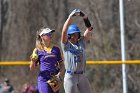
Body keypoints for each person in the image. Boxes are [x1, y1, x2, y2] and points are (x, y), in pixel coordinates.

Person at [61, 9, 93, 93]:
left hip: (81, 75)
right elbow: (64, 31)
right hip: (70, 76)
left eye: (77, 34)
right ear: (69, 36)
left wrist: (85, 17)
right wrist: (70, 17)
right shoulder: (66, 45)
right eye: (73, 34)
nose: (75, 36)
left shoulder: (81, 42)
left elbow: (89, 29)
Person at [30, 27, 64, 93]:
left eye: (50, 34)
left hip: (54, 78)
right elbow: (32, 68)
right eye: (48, 34)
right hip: (43, 78)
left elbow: (62, 64)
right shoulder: (37, 50)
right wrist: (33, 62)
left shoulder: (56, 48)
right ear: (42, 36)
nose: (50, 35)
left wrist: (59, 74)